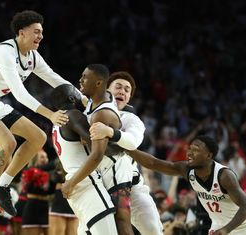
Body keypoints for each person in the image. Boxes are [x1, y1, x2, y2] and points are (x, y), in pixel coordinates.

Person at [0, 10, 82, 234]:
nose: (41, 36)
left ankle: (2, 185)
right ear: (21, 33)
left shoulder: (32, 57)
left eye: (42, 32)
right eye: (36, 31)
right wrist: (50, 115)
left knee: (38, 137)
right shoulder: (4, 52)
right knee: (8, 142)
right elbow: (20, 95)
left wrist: (85, 99)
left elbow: (55, 79)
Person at [128, 135, 246, 235]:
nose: (189, 152)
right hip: (220, 226)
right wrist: (127, 148)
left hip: (245, 224)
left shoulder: (224, 176)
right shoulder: (186, 170)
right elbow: (154, 163)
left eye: (195, 149)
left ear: (209, 156)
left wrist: (227, 229)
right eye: (190, 148)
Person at [89, 71, 163, 234]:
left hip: (131, 186)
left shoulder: (131, 119)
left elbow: (132, 142)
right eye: (118, 87)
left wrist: (109, 132)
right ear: (107, 89)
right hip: (97, 185)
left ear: (129, 98)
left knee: (153, 230)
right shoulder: (89, 112)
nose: (122, 91)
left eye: (127, 90)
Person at [51, 83, 118, 235]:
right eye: (77, 93)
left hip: (75, 184)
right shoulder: (73, 114)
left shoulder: (56, 124)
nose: (82, 96)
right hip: (86, 182)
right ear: (71, 97)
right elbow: (100, 147)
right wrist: (121, 143)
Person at [48, 159, 78, 235]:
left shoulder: (80, 163)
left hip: (74, 204)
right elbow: (55, 179)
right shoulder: (59, 164)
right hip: (59, 206)